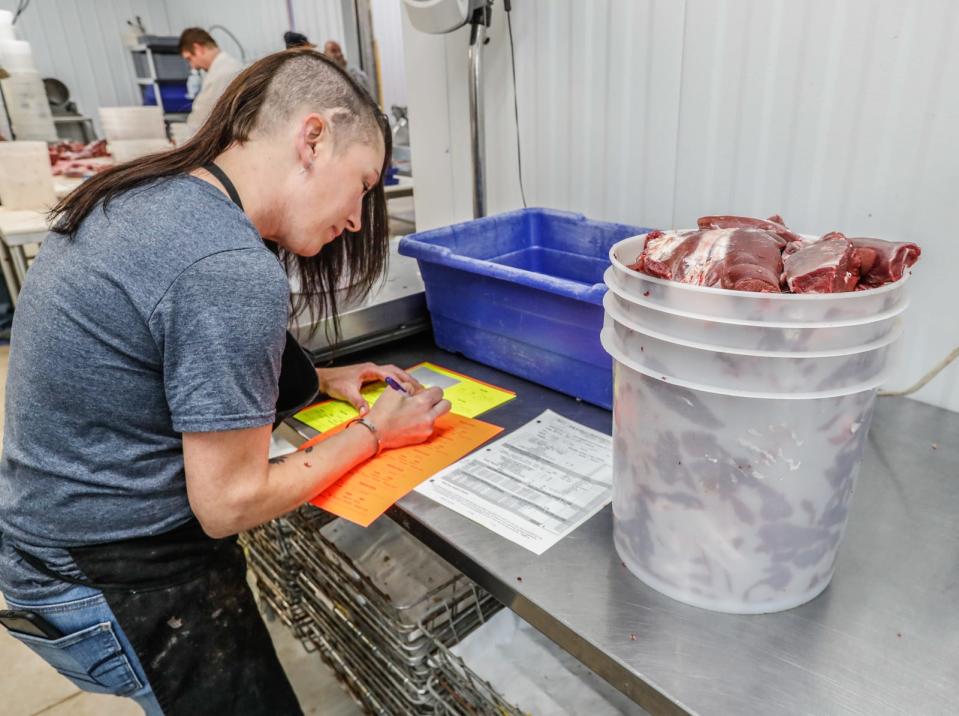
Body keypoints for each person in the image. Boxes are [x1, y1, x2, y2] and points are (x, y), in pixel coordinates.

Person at [0, 49, 449, 715]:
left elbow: (156, 354)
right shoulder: (225, 266)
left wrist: (320, 379)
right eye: (362, 184)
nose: (357, 218)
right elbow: (231, 502)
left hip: (39, 542)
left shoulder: (152, 194)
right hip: (112, 573)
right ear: (313, 136)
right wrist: (375, 433)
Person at [179, 27, 244, 137]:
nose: (193, 66)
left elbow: (199, 122)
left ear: (198, 48)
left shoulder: (221, 74)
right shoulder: (229, 66)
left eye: (189, 58)